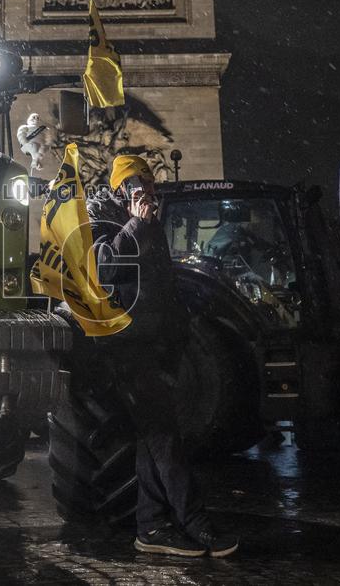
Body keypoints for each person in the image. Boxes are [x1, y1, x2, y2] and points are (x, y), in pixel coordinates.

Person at [86, 154, 239, 558]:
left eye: (151, 185)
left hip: (156, 346)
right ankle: (196, 523)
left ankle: (152, 526)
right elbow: (105, 268)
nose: (148, 192)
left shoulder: (148, 225)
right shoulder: (100, 219)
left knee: (152, 442)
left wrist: (178, 335)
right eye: (140, 184)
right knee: (165, 440)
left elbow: (163, 285)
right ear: (122, 188)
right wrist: (136, 225)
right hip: (125, 348)